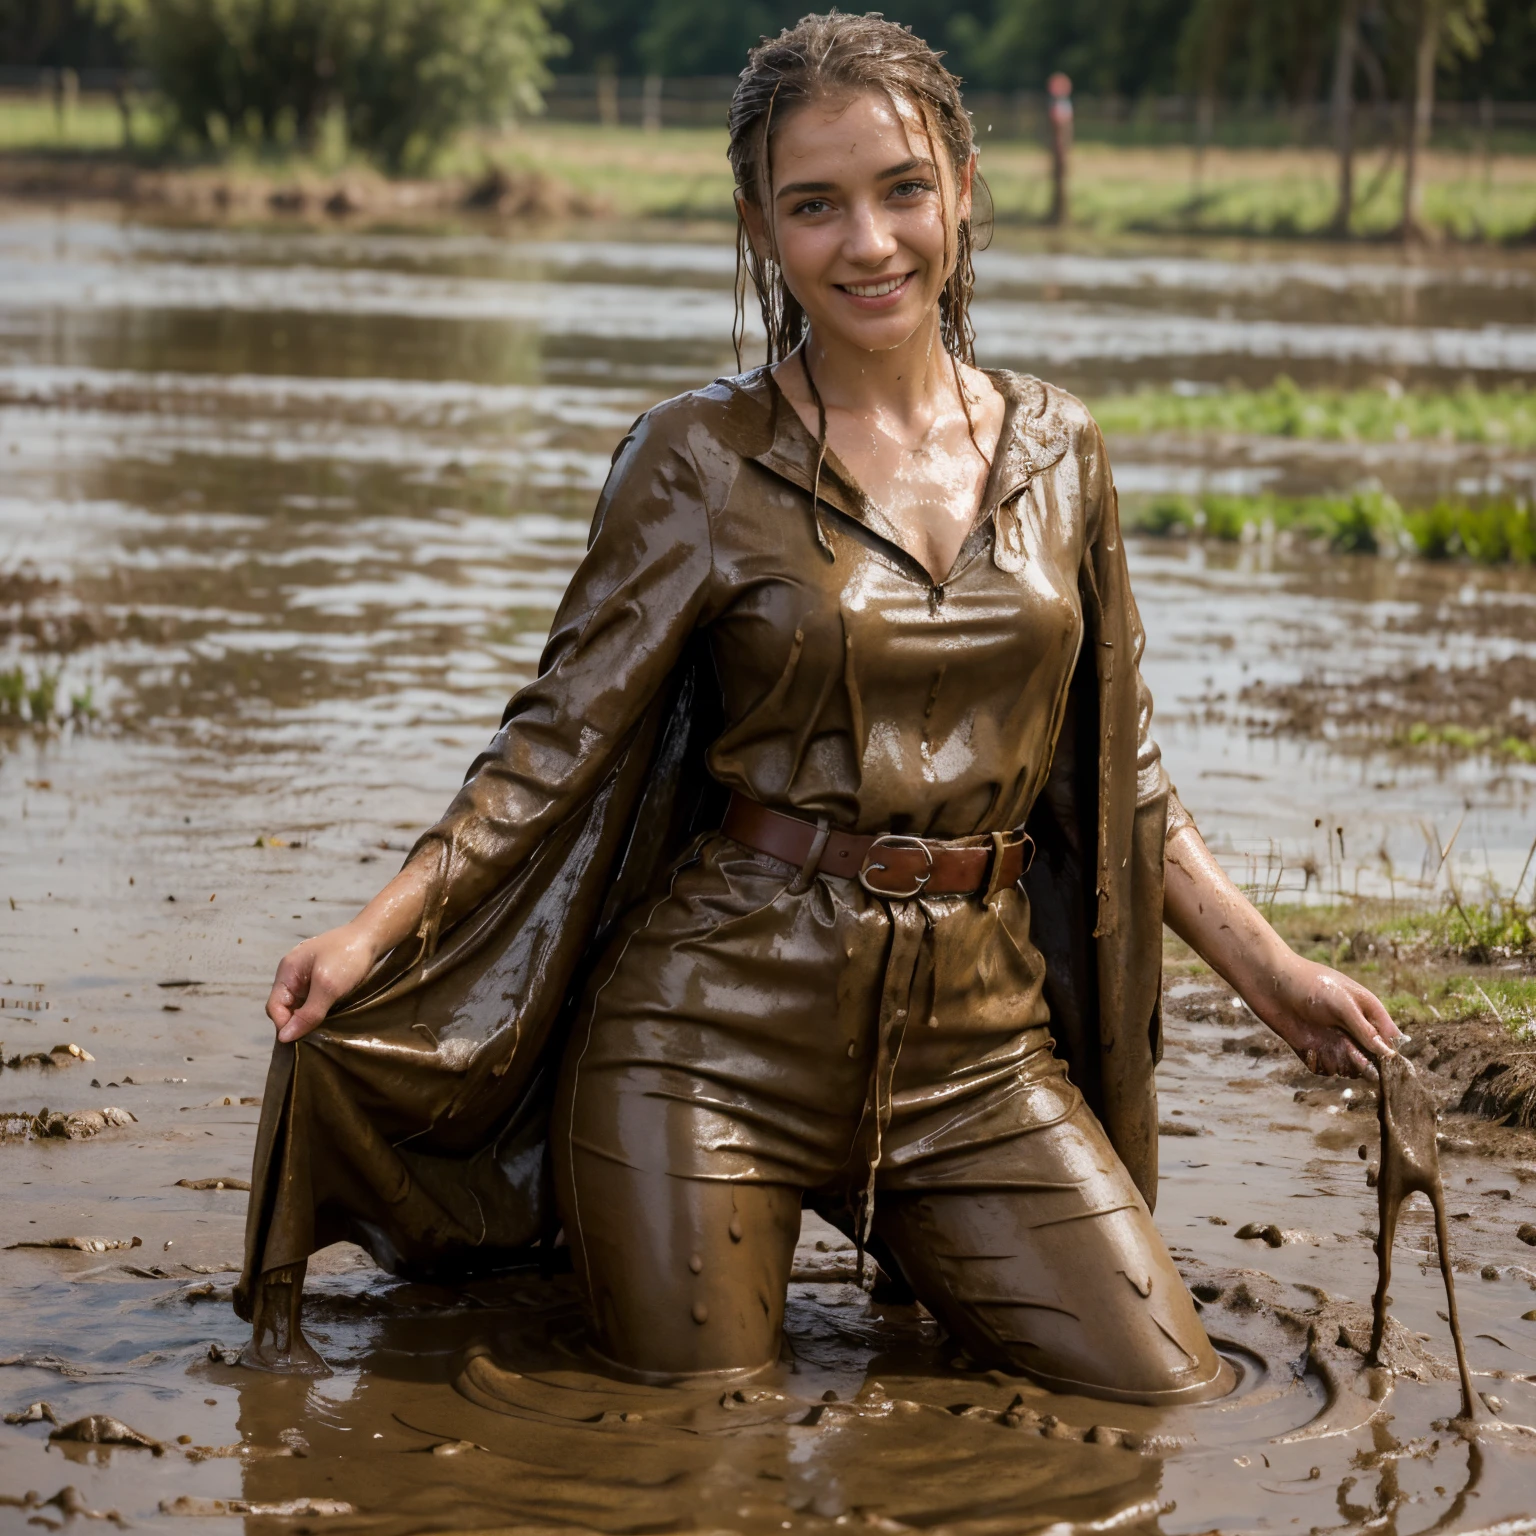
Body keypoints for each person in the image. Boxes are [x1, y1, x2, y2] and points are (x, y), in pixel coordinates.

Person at [235, 13, 1401, 1400]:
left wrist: (1278, 979)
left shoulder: (1064, 449)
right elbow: (552, 743)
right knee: (702, 1449)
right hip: (705, 1047)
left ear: (964, 183)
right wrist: (372, 932)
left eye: (903, 189)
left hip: (979, 1055)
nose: (870, 242)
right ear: (759, 227)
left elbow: (1117, 774)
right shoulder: (695, 460)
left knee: (1161, 1397)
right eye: (815, 205)